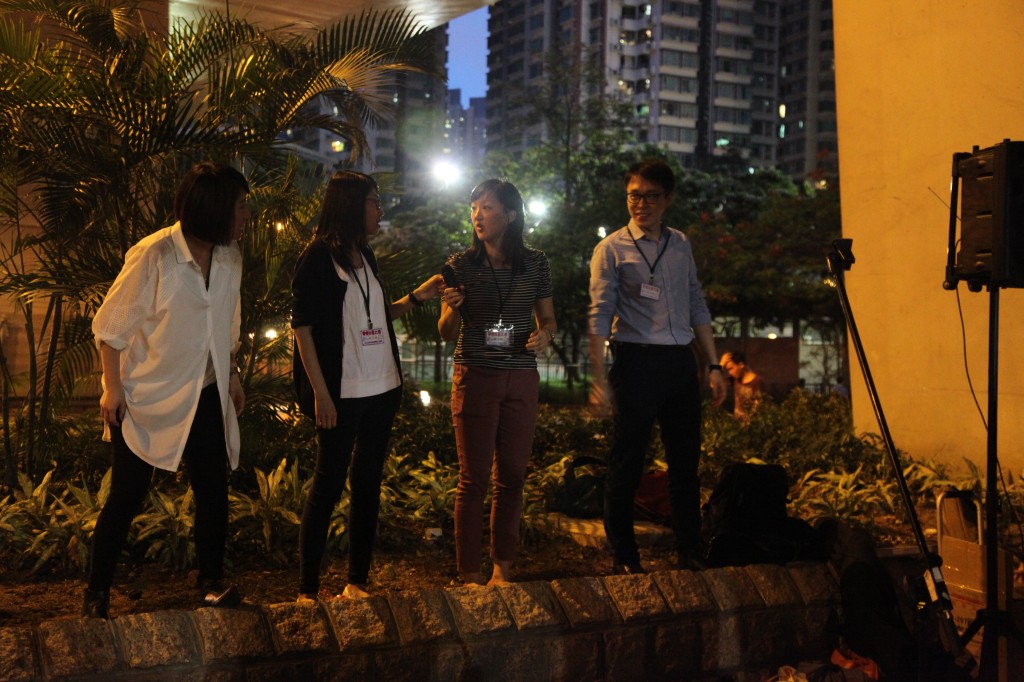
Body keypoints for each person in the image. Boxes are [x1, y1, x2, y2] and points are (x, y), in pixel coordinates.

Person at [84, 162, 250, 618]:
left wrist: (231, 375)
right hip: (146, 397)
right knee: (127, 494)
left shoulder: (230, 257)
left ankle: (211, 581)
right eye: (240, 206)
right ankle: (96, 592)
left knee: (213, 488)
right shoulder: (155, 254)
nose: (246, 216)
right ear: (215, 209)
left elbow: (227, 323)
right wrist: (112, 389)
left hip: (206, 390)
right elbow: (110, 328)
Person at [291, 171, 444, 602]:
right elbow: (302, 329)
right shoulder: (317, 257)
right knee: (327, 486)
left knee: (368, 485)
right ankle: (307, 590)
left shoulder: (367, 254)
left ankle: (357, 582)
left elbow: (374, 316)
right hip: (341, 392)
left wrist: (417, 297)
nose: (380, 209)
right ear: (351, 205)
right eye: (374, 201)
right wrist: (321, 394)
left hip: (382, 387)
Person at [588, 158, 727, 574]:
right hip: (636, 362)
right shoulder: (611, 249)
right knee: (627, 463)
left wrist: (714, 365)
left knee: (685, 464)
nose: (641, 204)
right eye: (634, 196)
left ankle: (689, 549)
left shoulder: (680, 244)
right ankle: (624, 556)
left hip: (680, 362)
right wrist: (597, 377)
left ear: (668, 199)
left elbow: (696, 302)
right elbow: (598, 315)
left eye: (651, 197)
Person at [438, 178, 556, 587]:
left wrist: (545, 336)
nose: (477, 216)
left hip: (521, 376)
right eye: (473, 208)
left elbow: (549, 320)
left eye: (486, 208)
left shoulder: (536, 263)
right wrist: (453, 309)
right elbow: (445, 332)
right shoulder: (460, 265)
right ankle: (470, 574)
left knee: (512, 476)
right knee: (472, 480)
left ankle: (502, 569)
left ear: (510, 214)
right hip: (475, 375)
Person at [721, 351, 764, 422]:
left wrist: (748, 423)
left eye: (731, 368)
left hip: (751, 424)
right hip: (737, 423)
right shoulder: (735, 379)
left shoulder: (756, 381)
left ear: (741, 365)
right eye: (728, 370)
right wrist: (721, 364)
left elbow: (758, 406)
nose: (730, 372)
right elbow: (714, 384)